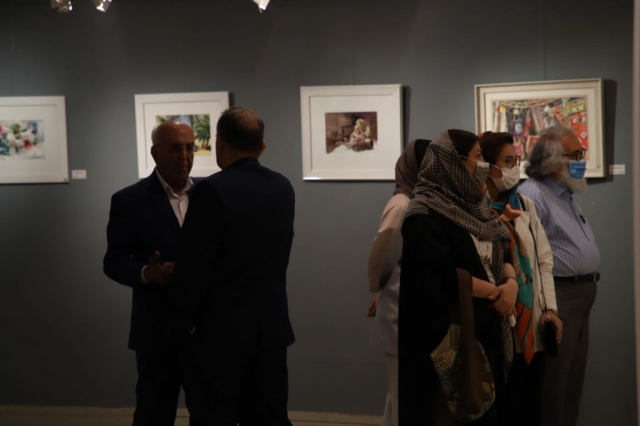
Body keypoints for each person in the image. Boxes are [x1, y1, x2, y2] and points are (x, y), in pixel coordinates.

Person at [168, 107, 295, 426]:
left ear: (220, 143)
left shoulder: (210, 190)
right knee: (269, 416)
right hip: (269, 329)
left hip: (219, 335)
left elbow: (194, 266)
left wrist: (181, 324)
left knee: (214, 417)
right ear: (262, 146)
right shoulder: (282, 187)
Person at [398, 129, 518, 425]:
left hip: (486, 326)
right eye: (477, 157)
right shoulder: (423, 214)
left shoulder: (476, 205)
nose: (482, 165)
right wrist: (496, 292)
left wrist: (511, 283)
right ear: (453, 162)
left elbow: (501, 246)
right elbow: (435, 278)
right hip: (449, 337)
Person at [103, 120, 199, 426]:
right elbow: (114, 260)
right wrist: (146, 272)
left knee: (210, 413)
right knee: (154, 414)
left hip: (205, 329)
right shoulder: (130, 200)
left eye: (190, 148)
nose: (184, 156)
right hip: (157, 330)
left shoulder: (209, 195)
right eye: (175, 148)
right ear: (155, 153)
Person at [478, 131, 563, 426]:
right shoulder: (476, 210)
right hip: (496, 318)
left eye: (516, 159)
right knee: (502, 407)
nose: (514, 167)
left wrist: (550, 309)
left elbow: (543, 261)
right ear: (487, 166)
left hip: (532, 322)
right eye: (507, 161)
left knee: (530, 405)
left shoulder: (524, 205)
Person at [518, 126, 600, 426]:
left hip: (580, 298)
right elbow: (528, 258)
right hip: (559, 298)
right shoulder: (533, 194)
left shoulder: (564, 193)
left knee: (571, 383)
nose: (581, 160)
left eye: (582, 153)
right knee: (552, 385)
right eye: (575, 154)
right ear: (552, 161)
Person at [367, 139, 431, 426]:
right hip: (399, 309)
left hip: (407, 309)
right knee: (402, 395)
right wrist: (379, 287)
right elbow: (382, 257)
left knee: (400, 396)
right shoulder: (402, 205)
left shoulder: (417, 202)